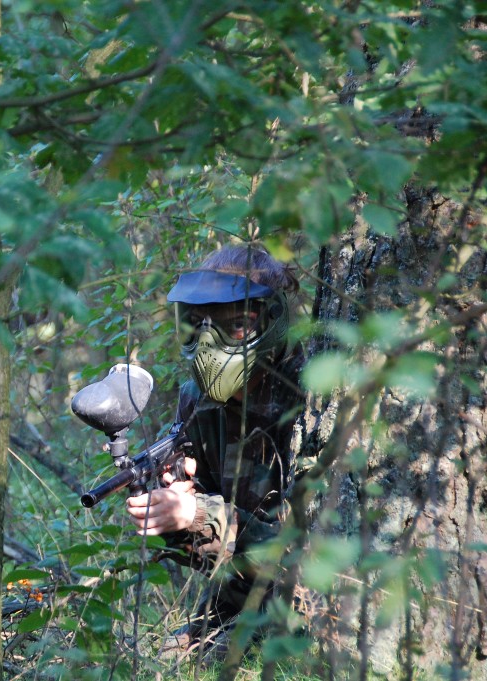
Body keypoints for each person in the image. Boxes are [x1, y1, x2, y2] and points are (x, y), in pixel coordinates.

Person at [124, 244, 306, 660]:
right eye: (198, 325)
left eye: (236, 325)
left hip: (302, 609)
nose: (209, 342)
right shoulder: (198, 402)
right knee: (163, 661)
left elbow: (306, 555)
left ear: (271, 318)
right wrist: (173, 512)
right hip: (234, 600)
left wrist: (199, 515)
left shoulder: (309, 398)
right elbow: (208, 555)